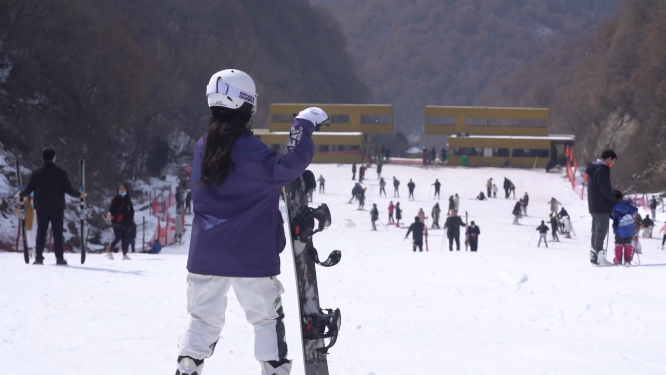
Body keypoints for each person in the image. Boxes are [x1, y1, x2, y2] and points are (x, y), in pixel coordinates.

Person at [175, 70, 329, 375]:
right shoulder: (249, 150)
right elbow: (288, 167)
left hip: (206, 253)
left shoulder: (203, 146)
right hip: (251, 255)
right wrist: (302, 126)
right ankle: (274, 369)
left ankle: (188, 366)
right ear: (248, 105)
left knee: (202, 318)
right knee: (265, 320)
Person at [17, 148, 84, 265]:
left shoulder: (36, 173)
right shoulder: (61, 173)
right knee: (57, 233)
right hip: (57, 208)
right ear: (54, 158)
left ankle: (39, 258)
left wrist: (21, 194)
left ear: (43, 158)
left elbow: (29, 189)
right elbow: (68, 189)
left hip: (41, 207)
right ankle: (59, 258)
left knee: (41, 232)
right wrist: (79, 194)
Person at [586, 149, 618, 266]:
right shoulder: (601, 170)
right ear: (609, 158)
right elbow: (605, 190)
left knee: (595, 232)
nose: (612, 164)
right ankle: (600, 259)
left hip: (594, 205)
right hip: (601, 206)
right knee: (600, 232)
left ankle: (594, 258)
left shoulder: (593, 169)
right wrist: (614, 202)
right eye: (613, 161)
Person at [106, 183, 135, 260]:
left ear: (126, 190)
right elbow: (112, 210)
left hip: (125, 222)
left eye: (123, 189)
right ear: (118, 190)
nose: (122, 190)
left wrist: (130, 221)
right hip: (116, 221)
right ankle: (109, 252)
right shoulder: (116, 199)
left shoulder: (128, 200)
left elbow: (132, 211)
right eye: (120, 189)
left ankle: (124, 255)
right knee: (118, 237)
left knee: (124, 239)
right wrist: (115, 214)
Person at [611, 190, 638, 265]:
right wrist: (631, 203)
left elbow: (613, 216)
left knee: (619, 243)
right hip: (630, 230)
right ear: (622, 197)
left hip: (619, 230)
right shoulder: (628, 204)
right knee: (628, 243)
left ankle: (618, 259)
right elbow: (635, 211)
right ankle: (628, 259)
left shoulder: (615, 207)